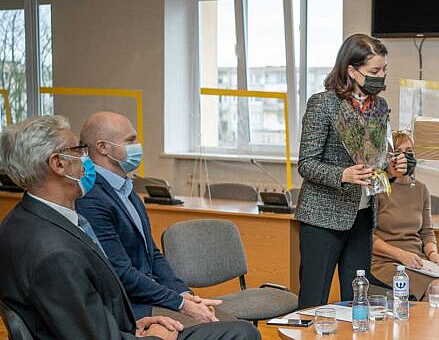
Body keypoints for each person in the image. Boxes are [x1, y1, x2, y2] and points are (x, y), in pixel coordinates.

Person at [0, 115, 259, 340]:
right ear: (58, 163)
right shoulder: (55, 253)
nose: (85, 158)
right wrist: (155, 337)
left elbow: (83, 318)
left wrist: (135, 326)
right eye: (78, 150)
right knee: (240, 334)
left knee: (239, 331)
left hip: (120, 327)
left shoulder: (25, 220)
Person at [76, 112, 244, 330]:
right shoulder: (91, 198)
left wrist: (184, 294)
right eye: (130, 140)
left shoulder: (126, 189)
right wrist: (180, 303)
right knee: (237, 331)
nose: (138, 147)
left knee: (234, 326)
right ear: (102, 147)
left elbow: (152, 254)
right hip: (132, 308)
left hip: (155, 297)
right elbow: (121, 272)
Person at [296, 34, 408, 309]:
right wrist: (342, 175)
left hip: (362, 215)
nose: (381, 77)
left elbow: (376, 164)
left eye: (384, 70)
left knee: (357, 300)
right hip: (322, 217)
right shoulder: (323, 104)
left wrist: (391, 170)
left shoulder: (379, 107)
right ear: (351, 70)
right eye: (374, 71)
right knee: (314, 300)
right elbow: (306, 163)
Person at [371, 131, 439, 305]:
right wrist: (401, 255)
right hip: (386, 260)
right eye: (398, 152)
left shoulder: (421, 189)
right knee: (437, 287)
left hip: (417, 259)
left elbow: (426, 232)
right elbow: (368, 237)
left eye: (409, 152)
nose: (405, 157)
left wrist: (433, 254)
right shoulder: (378, 188)